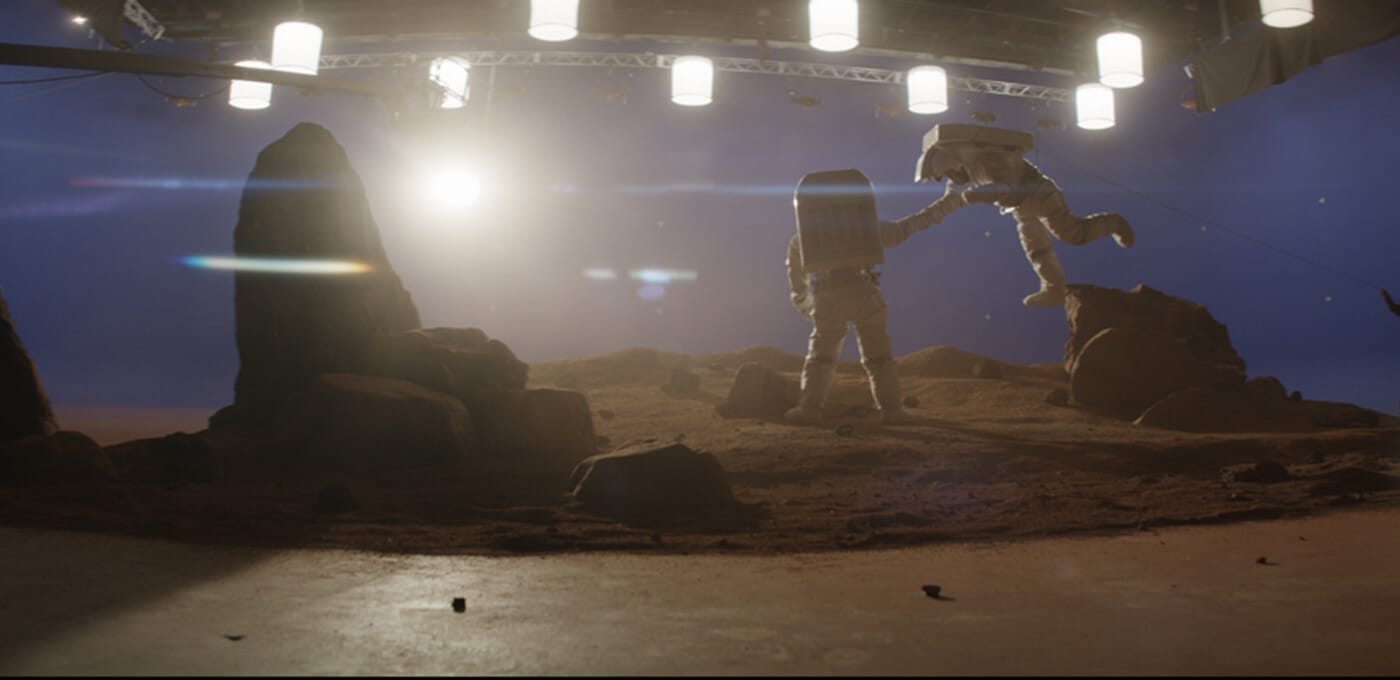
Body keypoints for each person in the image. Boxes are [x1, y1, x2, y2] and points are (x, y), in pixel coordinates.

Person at [785, 169, 963, 425]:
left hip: (828, 296)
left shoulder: (801, 240)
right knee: (879, 358)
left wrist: (805, 305)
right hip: (864, 291)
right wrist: (949, 202)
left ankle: (809, 409)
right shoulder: (868, 230)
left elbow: (797, 280)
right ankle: (892, 410)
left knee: (821, 358)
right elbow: (908, 227)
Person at [914, 124, 1136, 307]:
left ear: (955, 161)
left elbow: (1005, 188)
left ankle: (1114, 223)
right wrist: (923, 218)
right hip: (1021, 206)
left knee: (1072, 234)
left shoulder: (989, 161)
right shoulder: (965, 174)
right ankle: (1054, 289)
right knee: (1036, 249)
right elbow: (949, 200)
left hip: (1040, 195)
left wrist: (973, 196)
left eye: (949, 173)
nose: (951, 178)